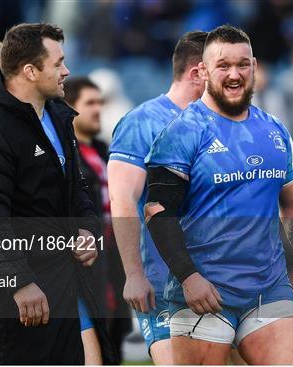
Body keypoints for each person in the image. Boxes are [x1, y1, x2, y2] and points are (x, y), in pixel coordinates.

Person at [144, 25, 293, 365]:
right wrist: (189, 277)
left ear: (255, 67)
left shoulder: (275, 129)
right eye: (223, 66)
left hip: (269, 288)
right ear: (203, 71)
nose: (235, 74)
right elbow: (158, 212)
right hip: (203, 294)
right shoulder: (181, 133)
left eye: (242, 65)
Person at [0, 23, 99, 365]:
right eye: (58, 63)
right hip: (6, 302)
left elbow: (76, 188)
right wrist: (19, 281)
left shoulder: (58, 118)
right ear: (30, 71)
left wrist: (86, 229)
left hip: (57, 289)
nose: (66, 71)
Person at [107, 31, 208, 364]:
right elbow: (121, 200)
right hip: (166, 284)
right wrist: (134, 274)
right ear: (197, 72)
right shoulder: (142, 123)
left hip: (224, 280)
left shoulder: (222, 126)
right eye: (221, 67)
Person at [63, 76, 120, 365]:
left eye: (101, 102)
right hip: (86, 263)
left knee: (113, 342)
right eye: (90, 103)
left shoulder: (103, 150)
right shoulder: (65, 154)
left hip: (112, 261)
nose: (98, 109)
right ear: (71, 108)